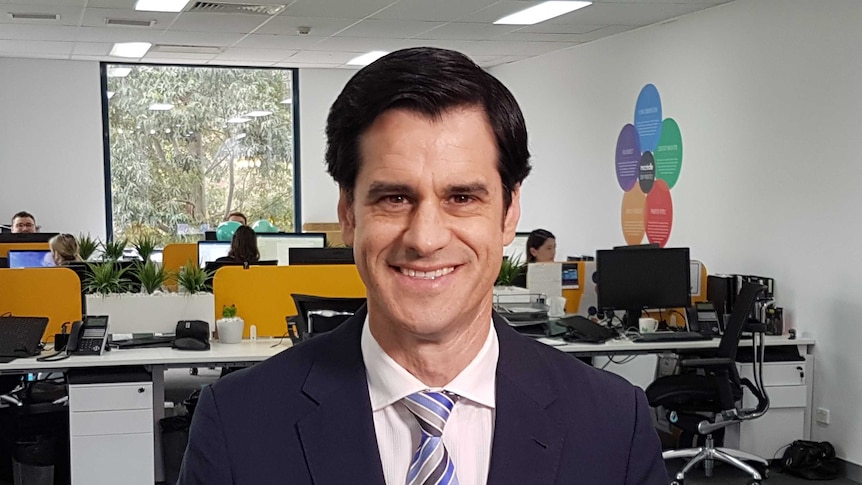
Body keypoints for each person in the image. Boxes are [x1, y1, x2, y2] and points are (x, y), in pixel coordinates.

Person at [178, 47, 667, 485]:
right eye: (394, 197)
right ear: (349, 213)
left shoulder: (611, 424)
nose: (426, 238)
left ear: (508, 212)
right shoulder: (239, 424)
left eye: (461, 197)